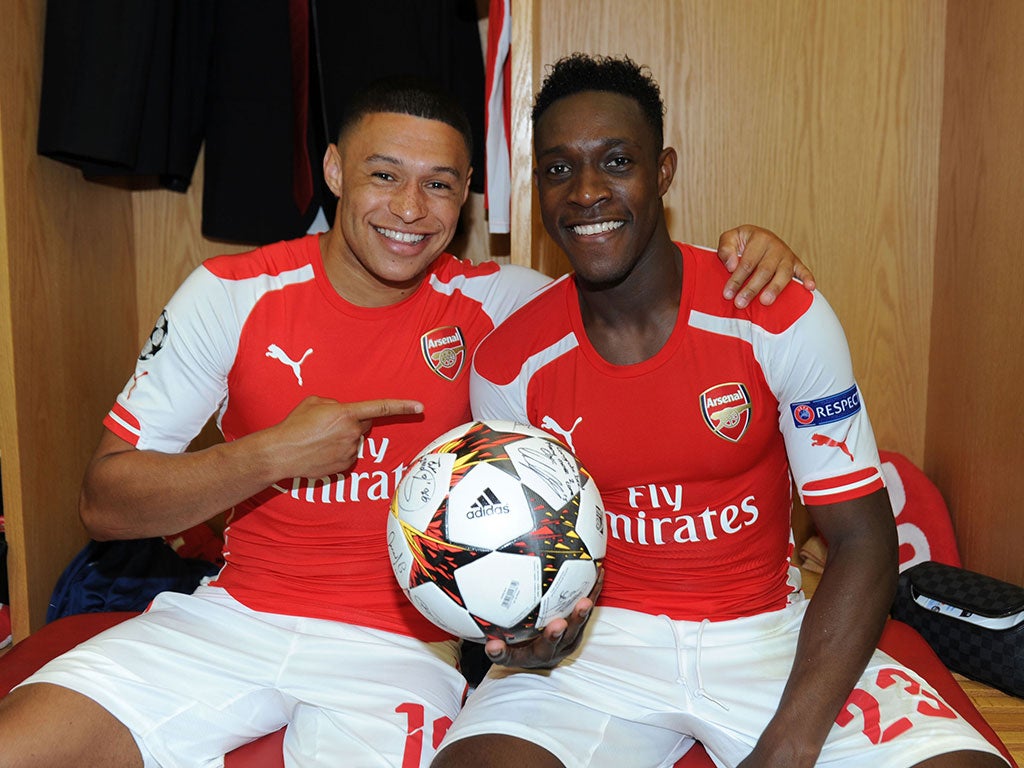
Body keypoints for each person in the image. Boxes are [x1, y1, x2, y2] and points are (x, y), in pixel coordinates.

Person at [0, 78, 808, 767]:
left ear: (467, 198)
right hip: (230, 617)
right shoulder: (229, 294)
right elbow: (105, 504)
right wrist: (273, 453)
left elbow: (641, 281)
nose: (410, 210)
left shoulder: (504, 305)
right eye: (384, 176)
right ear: (333, 171)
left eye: (440, 185)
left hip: (400, 652)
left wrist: (751, 255)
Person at [434, 54, 1010, 768]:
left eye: (617, 161)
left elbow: (863, 540)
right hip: (597, 654)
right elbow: (526, 559)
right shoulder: (509, 363)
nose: (586, 192)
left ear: (663, 171)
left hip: (765, 637)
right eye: (558, 169)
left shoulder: (775, 312)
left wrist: (790, 743)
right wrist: (533, 632)